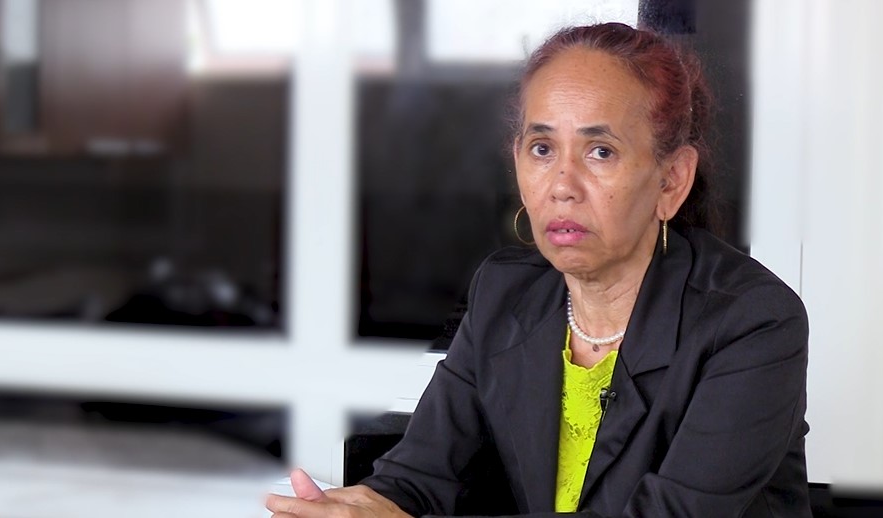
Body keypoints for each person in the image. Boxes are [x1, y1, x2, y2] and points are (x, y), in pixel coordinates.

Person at [266, 22, 810, 517]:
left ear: (671, 180)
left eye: (600, 152)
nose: (562, 186)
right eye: (543, 148)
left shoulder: (754, 322)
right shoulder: (505, 291)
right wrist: (357, 508)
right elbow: (420, 476)